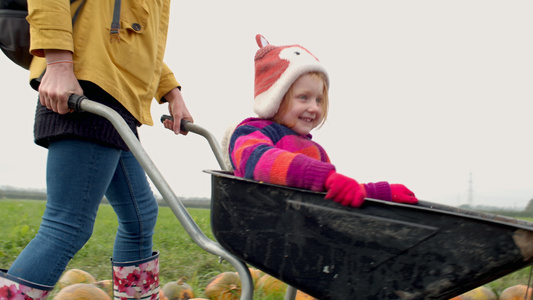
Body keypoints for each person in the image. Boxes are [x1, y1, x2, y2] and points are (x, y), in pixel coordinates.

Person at [0, 0, 192, 299]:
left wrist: (171, 91)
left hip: (118, 95)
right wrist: (59, 63)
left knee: (140, 216)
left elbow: (134, 37)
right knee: (68, 224)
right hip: (84, 87)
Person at [228, 34, 417, 208]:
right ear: (275, 98)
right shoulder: (253, 132)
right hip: (262, 219)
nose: (315, 108)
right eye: (304, 97)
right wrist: (322, 176)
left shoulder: (316, 151)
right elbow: (258, 160)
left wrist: (374, 193)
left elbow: (333, 190)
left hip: (301, 227)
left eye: (319, 100)